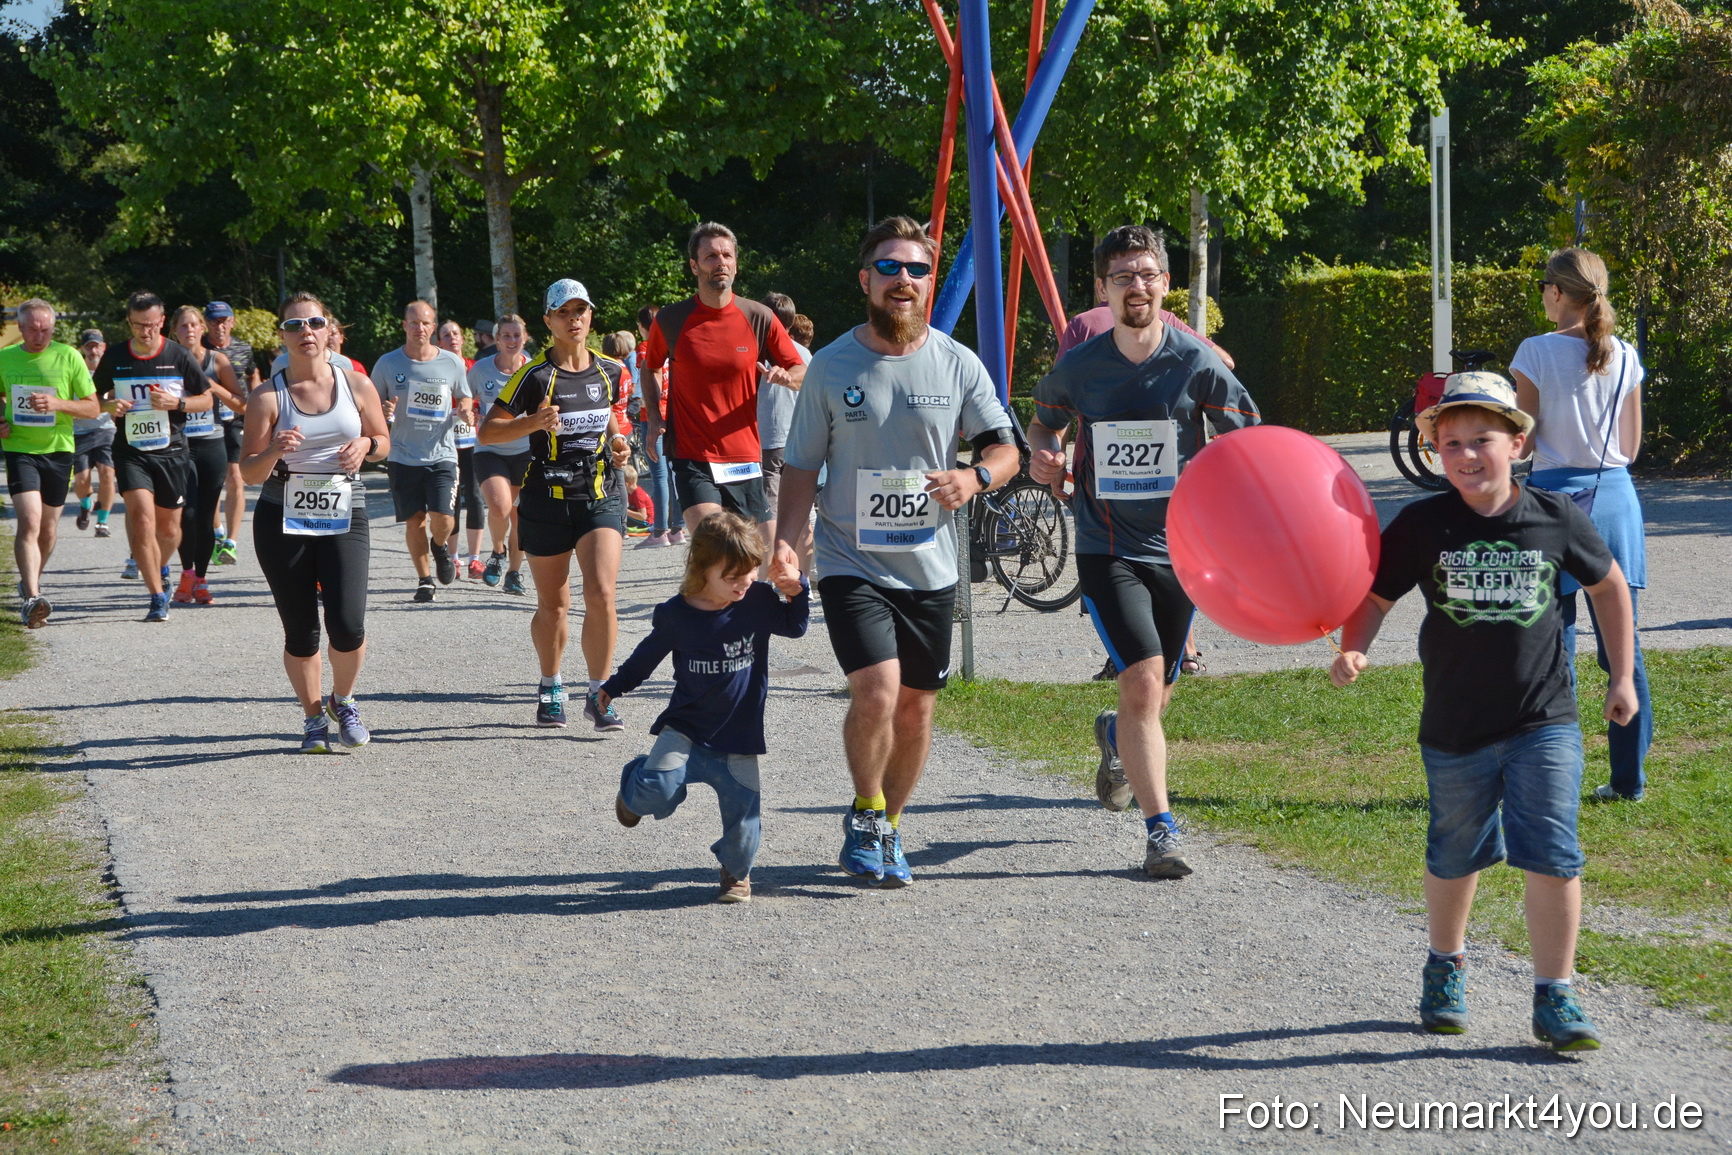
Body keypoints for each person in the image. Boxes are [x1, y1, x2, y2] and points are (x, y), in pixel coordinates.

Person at [1330, 372, 1636, 1052]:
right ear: (1436, 450)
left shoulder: (1556, 517)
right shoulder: (1423, 523)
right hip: (1455, 724)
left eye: (1483, 440)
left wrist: (1621, 675)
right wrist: (1355, 648)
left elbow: (1609, 586)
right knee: (1454, 849)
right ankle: (1445, 965)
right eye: (1452, 443)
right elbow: (1375, 598)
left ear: (1518, 442)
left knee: (1554, 852)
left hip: (1543, 719)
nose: (1467, 455)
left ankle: (1555, 993)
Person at [772, 216, 1018, 887]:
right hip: (853, 558)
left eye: (916, 269)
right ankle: (870, 811)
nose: (903, 280)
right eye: (890, 268)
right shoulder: (831, 367)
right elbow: (800, 468)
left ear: (930, 282)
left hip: (931, 567)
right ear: (866, 280)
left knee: (917, 708)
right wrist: (786, 549)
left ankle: (887, 823)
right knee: (877, 693)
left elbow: (1005, 447)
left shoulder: (957, 362)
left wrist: (975, 476)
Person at [1029, 226, 1259, 879]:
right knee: (1143, 677)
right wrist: (1044, 450)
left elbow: (1248, 435)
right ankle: (1162, 830)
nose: (1138, 285)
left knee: (1155, 693)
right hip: (1108, 544)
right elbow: (1044, 418)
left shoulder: (1194, 362)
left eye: (1149, 273)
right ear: (1103, 288)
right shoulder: (1080, 367)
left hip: (1182, 549)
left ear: (1166, 283)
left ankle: (1114, 736)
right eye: (1124, 275)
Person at [602, 511, 810, 903]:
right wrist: (614, 687)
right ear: (702, 570)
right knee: (654, 790)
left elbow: (796, 626)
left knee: (744, 820)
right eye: (731, 577)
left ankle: (735, 873)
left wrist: (799, 589)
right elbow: (645, 657)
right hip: (686, 730)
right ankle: (633, 786)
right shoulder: (676, 614)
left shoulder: (757, 600)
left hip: (739, 735)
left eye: (749, 572)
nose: (744, 583)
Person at [1512, 248, 1652, 802]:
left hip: (1552, 501)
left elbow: (1522, 439)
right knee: (1622, 648)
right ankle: (1628, 781)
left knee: (1554, 648)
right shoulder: (1624, 353)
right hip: (1616, 497)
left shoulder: (1535, 351)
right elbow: (1631, 447)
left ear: (1555, 292)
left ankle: (1555, 777)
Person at [240, 292, 392, 753]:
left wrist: (366, 445)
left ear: (329, 330)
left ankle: (342, 701)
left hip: (346, 510)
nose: (305, 331)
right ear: (282, 336)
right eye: (294, 325)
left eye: (315, 322)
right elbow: (247, 471)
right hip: (281, 515)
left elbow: (385, 441)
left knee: (348, 623)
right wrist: (272, 451)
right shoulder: (268, 396)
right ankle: (311, 718)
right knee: (301, 628)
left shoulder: (356, 385)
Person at [479, 279, 631, 729]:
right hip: (545, 500)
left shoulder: (611, 370)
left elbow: (613, 418)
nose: (574, 319)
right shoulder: (534, 377)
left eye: (581, 310)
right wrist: (533, 422)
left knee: (602, 593)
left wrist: (620, 443)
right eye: (564, 312)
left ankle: (599, 693)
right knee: (553, 606)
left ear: (590, 317)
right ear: (548, 321)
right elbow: (488, 433)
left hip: (600, 495)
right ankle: (550, 683)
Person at [642, 222, 806, 550]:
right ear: (694, 265)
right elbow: (650, 368)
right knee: (714, 542)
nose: (720, 262)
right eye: (710, 256)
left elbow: (800, 368)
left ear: (736, 263)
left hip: (744, 454)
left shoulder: (758, 316)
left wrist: (788, 378)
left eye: (727, 255)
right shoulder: (672, 320)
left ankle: (749, 600)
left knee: (769, 554)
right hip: (692, 453)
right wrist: (655, 418)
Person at [93, 290, 213, 622]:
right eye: (137, 325)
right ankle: (157, 595)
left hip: (172, 451)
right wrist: (107, 404)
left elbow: (206, 399)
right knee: (143, 519)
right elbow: (93, 396)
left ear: (162, 321)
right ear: (129, 322)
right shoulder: (116, 356)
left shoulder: (178, 355)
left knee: (170, 530)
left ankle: (161, 565)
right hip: (131, 451)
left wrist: (178, 404)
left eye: (151, 325)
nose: (145, 332)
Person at [0, 299, 100, 627]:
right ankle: (32, 597)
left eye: (46, 330)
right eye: (32, 329)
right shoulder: (5, 358)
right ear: (20, 327)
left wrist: (58, 403)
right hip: (20, 450)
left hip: (59, 451)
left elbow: (92, 408)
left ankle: (33, 585)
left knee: (48, 529)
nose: (39, 336)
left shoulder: (68, 356)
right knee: (29, 521)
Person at [374, 301, 475, 603]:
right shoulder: (388, 364)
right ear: (404, 325)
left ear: (434, 327)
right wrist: (384, 409)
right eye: (414, 323)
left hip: (442, 452)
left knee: (443, 518)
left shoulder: (451, 362)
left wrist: (466, 411)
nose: (420, 328)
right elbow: (370, 404)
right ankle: (424, 579)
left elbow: (465, 396)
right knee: (414, 520)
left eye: (426, 323)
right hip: (403, 455)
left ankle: (440, 546)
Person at [168, 307, 247, 605]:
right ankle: (186, 573)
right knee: (185, 513)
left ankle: (199, 580)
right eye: (183, 325)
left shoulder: (217, 360)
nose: (189, 330)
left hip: (212, 443)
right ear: (174, 330)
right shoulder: (168, 361)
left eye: (194, 324)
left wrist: (212, 387)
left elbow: (242, 404)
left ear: (202, 328)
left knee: (204, 515)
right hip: (178, 444)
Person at [467, 313, 531, 593]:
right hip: (489, 448)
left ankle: (514, 573)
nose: (512, 341)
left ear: (525, 338)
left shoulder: (534, 369)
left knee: (522, 516)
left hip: (527, 450)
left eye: (517, 336)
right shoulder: (481, 370)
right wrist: (466, 409)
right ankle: (497, 553)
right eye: (507, 335)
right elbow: (465, 397)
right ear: (496, 339)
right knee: (500, 506)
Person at [755, 294, 815, 578]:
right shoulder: (804, 354)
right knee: (802, 513)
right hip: (800, 439)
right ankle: (802, 577)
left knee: (770, 515)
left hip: (767, 440)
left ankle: (773, 577)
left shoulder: (757, 352)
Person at [202, 301, 256, 565]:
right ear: (206, 324)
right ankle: (217, 532)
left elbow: (252, 375)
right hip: (202, 419)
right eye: (213, 321)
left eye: (224, 320)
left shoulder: (243, 348)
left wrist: (256, 407)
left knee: (235, 477)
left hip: (234, 419)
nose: (219, 326)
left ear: (232, 322)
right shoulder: (197, 347)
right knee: (212, 481)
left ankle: (231, 542)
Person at [437, 319, 485, 574]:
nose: (452, 338)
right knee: (452, 499)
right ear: (439, 342)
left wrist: (473, 411)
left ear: (463, 339)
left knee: (476, 495)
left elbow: (484, 399)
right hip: (445, 442)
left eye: (456, 333)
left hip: (472, 440)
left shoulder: (474, 368)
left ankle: (475, 558)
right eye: (446, 335)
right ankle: (453, 556)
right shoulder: (435, 369)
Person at [633, 304, 678, 547]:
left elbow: (648, 379)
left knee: (659, 473)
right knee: (673, 472)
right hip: (672, 412)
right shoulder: (670, 344)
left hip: (651, 415)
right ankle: (676, 528)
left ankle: (659, 531)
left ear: (641, 327)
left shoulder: (644, 348)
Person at [71, 329, 118, 539]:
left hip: (106, 430)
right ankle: (85, 504)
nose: (93, 350)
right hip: (80, 432)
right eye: (89, 346)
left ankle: (102, 522)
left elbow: (120, 398)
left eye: (97, 345)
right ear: (83, 349)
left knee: (108, 473)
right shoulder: (75, 371)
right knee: (81, 480)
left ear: (104, 347)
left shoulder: (111, 371)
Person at [624, 463, 652, 532]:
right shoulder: (631, 493)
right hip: (642, 520)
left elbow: (643, 516)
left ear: (625, 484)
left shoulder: (638, 495)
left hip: (647, 523)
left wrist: (625, 511)